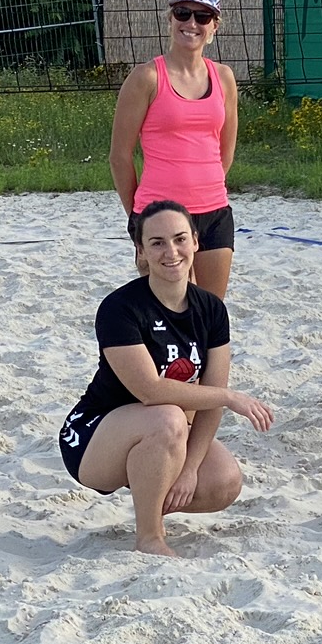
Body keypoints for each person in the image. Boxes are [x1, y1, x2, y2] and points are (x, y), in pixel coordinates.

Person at [57, 201, 274, 556]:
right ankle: (150, 537)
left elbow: (210, 400)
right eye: (157, 243)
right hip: (92, 437)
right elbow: (150, 390)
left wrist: (188, 470)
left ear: (195, 242)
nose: (170, 251)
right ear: (141, 250)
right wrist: (230, 397)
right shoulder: (120, 307)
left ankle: (150, 487)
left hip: (161, 434)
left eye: (179, 239)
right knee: (168, 414)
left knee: (224, 481)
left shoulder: (212, 309)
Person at [110, 0, 240, 297]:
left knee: (209, 315)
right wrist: (139, 217)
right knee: (166, 316)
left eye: (203, 17)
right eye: (183, 13)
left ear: (215, 26)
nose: (191, 23)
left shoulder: (223, 77)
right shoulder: (146, 77)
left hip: (214, 211)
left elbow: (225, 150)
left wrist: (202, 187)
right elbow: (119, 156)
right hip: (158, 213)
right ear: (170, 19)